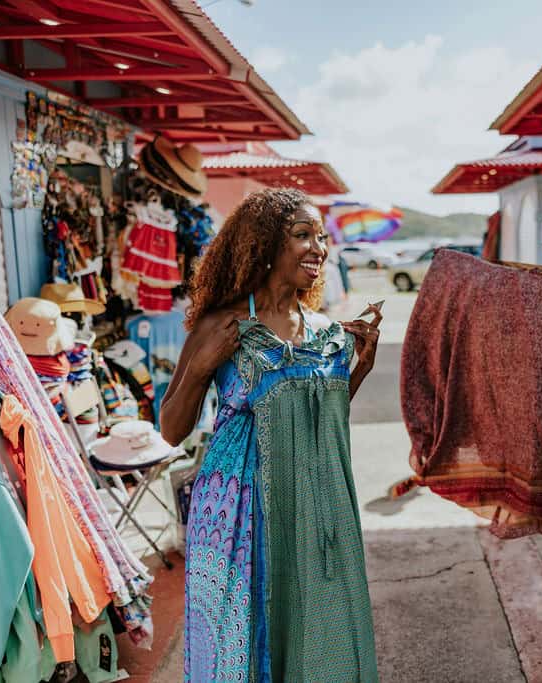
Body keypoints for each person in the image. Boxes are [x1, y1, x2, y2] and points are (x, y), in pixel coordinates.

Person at [161, 189, 380, 682]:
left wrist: (357, 372)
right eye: (302, 235)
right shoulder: (223, 324)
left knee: (310, 628)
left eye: (321, 237)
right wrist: (200, 368)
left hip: (312, 505)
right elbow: (172, 429)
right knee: (245, 640)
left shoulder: (324, 330)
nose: (318, 248)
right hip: (240, 510)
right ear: (264, 245)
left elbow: (322, 425)